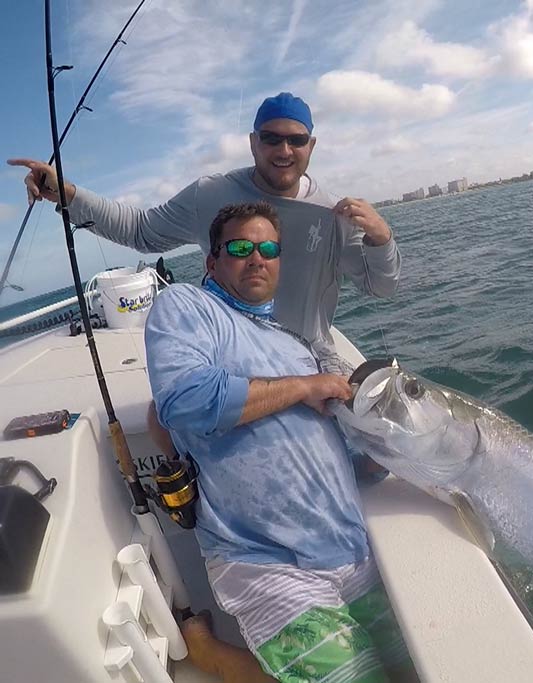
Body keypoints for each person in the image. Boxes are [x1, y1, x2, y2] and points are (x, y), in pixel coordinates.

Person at [145, 200, 414, 683]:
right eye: (241, 247)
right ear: (212, 261)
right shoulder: (188, 306)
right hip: (266, 562)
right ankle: (210, 653)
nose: (257, 257)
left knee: (415, 667)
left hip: (348, 549)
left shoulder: (294, 343)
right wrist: (306, 386)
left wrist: (366, 465)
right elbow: (182, 400)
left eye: (268, 248)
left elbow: (309, 449)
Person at [8, 91, 399, 366]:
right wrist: (68, 195)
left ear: (311, 146)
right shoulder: (211, 194)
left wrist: (382, 239)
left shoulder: (332, 213)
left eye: (296, 140)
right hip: (231, 356)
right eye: (271, 138)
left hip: (311, 358)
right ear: (252, 142)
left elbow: (381, 287)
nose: (284, 151)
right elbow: (141, 231)